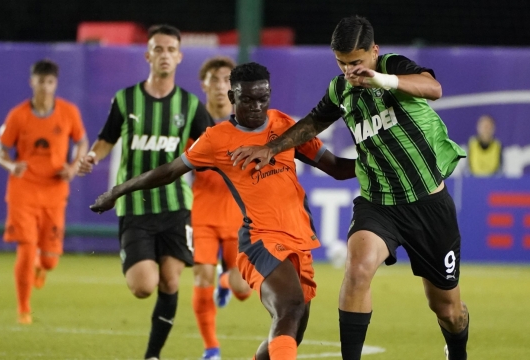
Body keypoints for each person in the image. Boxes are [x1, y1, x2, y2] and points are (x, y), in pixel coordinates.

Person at [231, 16, 469, 360]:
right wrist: (271, 148)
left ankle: (457, 351)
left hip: (429, 206)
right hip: (379, 204)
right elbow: (313, 123)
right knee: (357, 271)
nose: (350, 71)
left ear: (374, 52)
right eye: (342, 63)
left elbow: (433, 88)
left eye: (356, 62)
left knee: (447, 309)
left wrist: (382, 80)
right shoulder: (340, 89)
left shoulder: (392, 66)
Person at [89, 62, 356, 360]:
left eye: (262, 98)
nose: (256, 106)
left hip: (300, 238)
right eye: (247, 99)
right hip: (260, 240)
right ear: (232, 97)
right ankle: (211, 346)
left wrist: (381, 161)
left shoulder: (283, 125)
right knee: (289, 306)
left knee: (293, 329)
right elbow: (168, 171)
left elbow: (335, 168)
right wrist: (117, 191)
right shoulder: (217, 139)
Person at [76, 25, 214, 360]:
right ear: (148, 55)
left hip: (176, 204)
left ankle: (152, 355)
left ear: (179, 57)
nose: (164, 55)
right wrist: (94, 155)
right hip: (135, 205)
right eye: (158, 48)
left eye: (171, 49)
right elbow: (107, 138)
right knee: (143, 287)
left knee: (170, 282)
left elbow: (212, 141)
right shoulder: (126, 99)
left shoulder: (190, 105)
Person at [0, 59, 88, 325]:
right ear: (31, 82)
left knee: (49, 262)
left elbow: (82, 142)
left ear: (55, 84)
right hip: (23, 190)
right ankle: (23, 309)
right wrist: (11, 164)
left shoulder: (69, 113)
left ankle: (41, 264)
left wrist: (72, 167)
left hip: (55, 191)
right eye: (40, 81)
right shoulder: (18, 115)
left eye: (49, 82)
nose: (45, 87)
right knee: (26, 247)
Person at [192, 56, 252, 360]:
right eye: (213, 79)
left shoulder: (246, 124)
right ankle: (211, 348)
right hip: (201, 214)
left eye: (226, 80)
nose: (219, 86)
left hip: (239, 219)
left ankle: (226, 282)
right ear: (204, 84)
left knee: (244, 289)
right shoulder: (192, 122)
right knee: (201, 275)